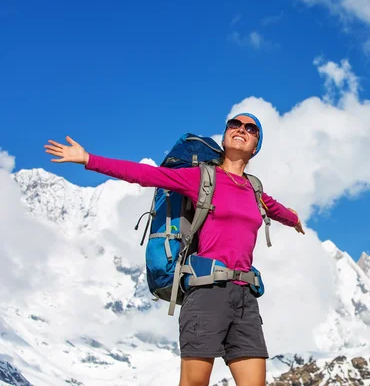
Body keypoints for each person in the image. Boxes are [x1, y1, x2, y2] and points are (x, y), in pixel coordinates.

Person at [44, 113, 305, 386]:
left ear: (256, 146)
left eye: (250, 129)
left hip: (245, 300)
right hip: (207, 292)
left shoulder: (254, 190)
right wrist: (89, 160)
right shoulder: (202, 178)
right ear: (225, 135)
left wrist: (294, 219)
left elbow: (277, 210)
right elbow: (146, 175)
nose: (241, 129)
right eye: (234, 125)